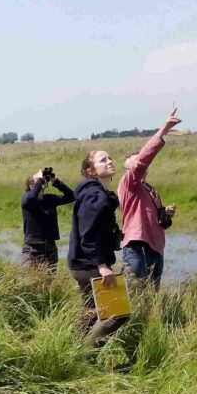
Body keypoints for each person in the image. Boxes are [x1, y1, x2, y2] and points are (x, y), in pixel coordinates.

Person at [67, 149, 128, 347]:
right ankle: (86, 355)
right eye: (103, 160)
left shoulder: (96, 193)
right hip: (90, 264)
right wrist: (101, 265)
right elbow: (89, 234)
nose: (110, 161)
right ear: (91, 170)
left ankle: (71, 352)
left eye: (110, 157)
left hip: (82, 263)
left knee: (90, 313)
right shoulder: (93, 195)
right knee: (117, 313)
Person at [118, 108, 181, 289]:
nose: (138, 164)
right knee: (137, 292)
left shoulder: (148, 188)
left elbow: (150, 214)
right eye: (134, 162)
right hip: (137, 244)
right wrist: (164, 130)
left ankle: (153, 318)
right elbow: (141, 162)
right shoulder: (129, 183)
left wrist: (164, 212)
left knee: (153, 293)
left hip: (155, 245)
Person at [20, 167, 74, 270]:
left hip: (50, 247)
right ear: (31, 185)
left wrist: (55, 181)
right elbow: (31, 197)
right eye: (38, 180)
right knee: (30, 279)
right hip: (33, 247)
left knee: (49, 280)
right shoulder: (26, 199)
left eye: (42, 180)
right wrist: (39, 179)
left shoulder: (49, 199)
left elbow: (71, 196)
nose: (42, 181)